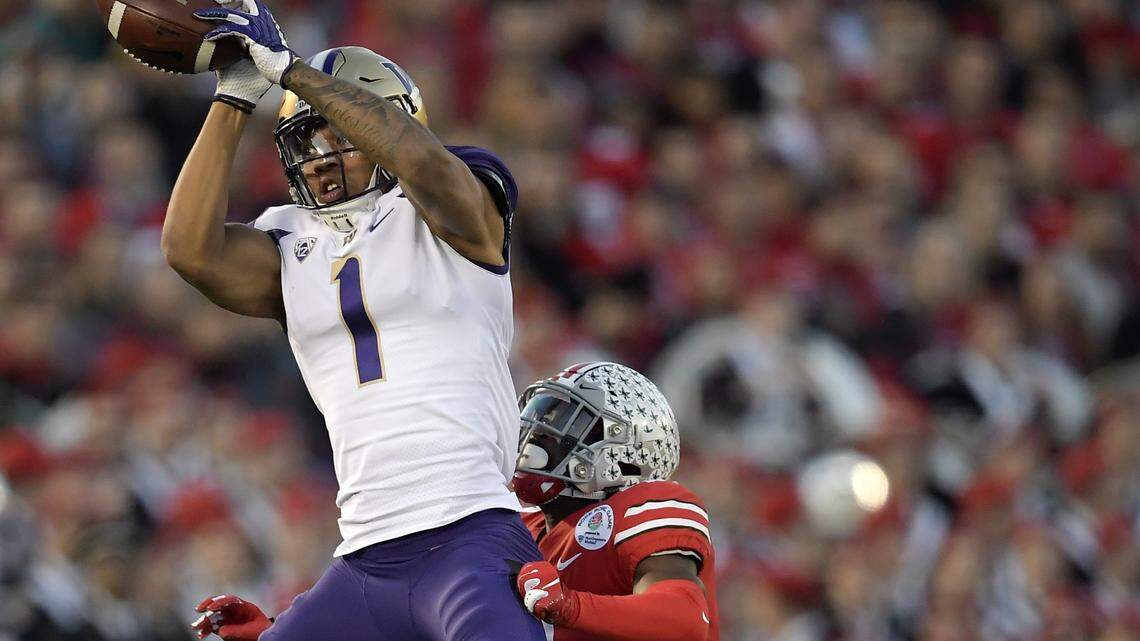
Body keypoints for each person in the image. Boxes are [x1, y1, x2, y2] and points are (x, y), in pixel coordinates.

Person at [163, 0, 543, 639]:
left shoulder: (458, 193)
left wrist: (297, 74)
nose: (318, 156)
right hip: (363, 558)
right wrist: (236, 94)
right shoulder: (290, 241)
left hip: (471, 531)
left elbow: (425, 167)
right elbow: (188, 249)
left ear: (392, 126)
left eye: (336, 135)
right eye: (306, 141)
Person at [193, 362, 720, 641]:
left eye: (564, 424)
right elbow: (408, 609)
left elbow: (684, 620)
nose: (535, 431)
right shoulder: (516, 524)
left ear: (624, 453)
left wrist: (572, 605)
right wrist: (283, 633)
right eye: (539, 413)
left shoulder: (646, 505)